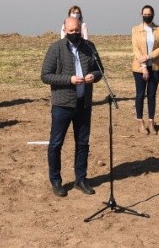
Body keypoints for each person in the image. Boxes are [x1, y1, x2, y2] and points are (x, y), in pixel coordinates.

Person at [41, 17, 102, 197]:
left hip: (83, 104)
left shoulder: (89, 46)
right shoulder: (56, 48)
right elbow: (45, 75)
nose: (74, 34)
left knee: (82, 143)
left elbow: (100, 70)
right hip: (62, 105)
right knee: (56, 144)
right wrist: (69, 79)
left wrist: (93, 76)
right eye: (71, 31)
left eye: (77, 30)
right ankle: (56, 181)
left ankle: (81, 179)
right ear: (65, 29)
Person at [131, 5, 159, 135]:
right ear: (141, 14)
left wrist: (149, 56)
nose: (147, 16)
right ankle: (140, 122)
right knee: (140, 95)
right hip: (139, 68)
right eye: (144, 14)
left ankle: (151, 121)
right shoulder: (136, 29)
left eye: (149, 14)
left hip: (156, 66)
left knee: (151, 95)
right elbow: (136, 49)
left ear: (153, 14)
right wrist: (144, 66)